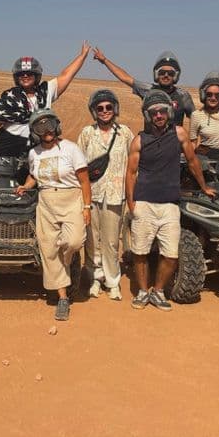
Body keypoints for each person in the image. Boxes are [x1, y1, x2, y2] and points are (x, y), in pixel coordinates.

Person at [125, 90, 215, 311]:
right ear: (148, 115)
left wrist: (204, 186)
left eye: (162, 111)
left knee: (171, 254)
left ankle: (158, 290)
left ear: (169, 112)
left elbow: (193, 162)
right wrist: (131, 203)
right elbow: (130, 173)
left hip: (170, 204)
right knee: (140, 251)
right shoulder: (139, 140)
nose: (158, 115)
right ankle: (143, 291)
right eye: (154, 112)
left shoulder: (180, 134)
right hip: (144, 202)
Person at [16, 110, 91, 321]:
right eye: (40, 127)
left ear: (56, 126)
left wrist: (87, 207)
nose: (46, 130)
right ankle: (62, 298)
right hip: (46, 202)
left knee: (74, 241)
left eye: (49, 125)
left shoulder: (71, 149)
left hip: (71, 199)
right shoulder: (34, 153)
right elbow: (34, 175)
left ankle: (65, 263)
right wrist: (25, 186)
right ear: (35, 132)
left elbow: (84, 180)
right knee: (49, 250)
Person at [0, 42, 91, 157]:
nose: (25, 76)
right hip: (7, 146)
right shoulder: (9, 96)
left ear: (37, 76)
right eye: (21, 73)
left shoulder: (46, 92)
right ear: (16, 77)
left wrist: (82, 56)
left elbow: (66, 75)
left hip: (37, 148)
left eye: (29, 73)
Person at [77, 89, 134, 301]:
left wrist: (131, 195)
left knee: (111, 241)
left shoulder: (125, 133)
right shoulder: (86, 133)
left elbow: (132, 166)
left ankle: (112, 281)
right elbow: (79, 166)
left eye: (108, 107)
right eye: (99, 108)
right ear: (94, 111)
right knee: (91, 240)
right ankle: (94, 278)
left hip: (115, 194)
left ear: (115, 108)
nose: (104, 111)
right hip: (91, 194)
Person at [92, 48, 194, 128]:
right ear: (156, 74)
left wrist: (193, 142)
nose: (166, 75)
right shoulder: (148, 90)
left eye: (170, 73)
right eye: (162, 72)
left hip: (175, 148)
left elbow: (196, 119)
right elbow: (125, 78)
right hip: (151, 145)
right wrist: (104, 60)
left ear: (176, 75)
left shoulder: (183, 96)